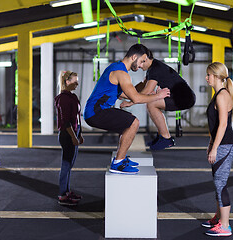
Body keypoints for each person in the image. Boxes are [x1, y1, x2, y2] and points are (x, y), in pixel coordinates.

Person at [84, 43, 170, 174]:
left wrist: (145, 85)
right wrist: (159, 96)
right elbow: (136, 98)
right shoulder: (121, 73)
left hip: (96, 111)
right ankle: (118, 163)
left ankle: (121, 158)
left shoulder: (117, 67)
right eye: (141, 62)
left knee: (126, 124)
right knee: (133, 122)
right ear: (134, 57)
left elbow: (129, 93)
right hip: (96, 112)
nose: (141, 66)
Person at [120, 50, 196, 150]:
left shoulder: (155, 69)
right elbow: (142, 85)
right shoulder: (153, 68)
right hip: (178, 96)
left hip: (185, 98)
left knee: (151, 104)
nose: (140, 67)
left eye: (140, 64)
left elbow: (146, 91)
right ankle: (161, 137)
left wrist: (130, 102)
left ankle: (166, 138)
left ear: (145, 58)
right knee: (152, 103)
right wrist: (126, 93)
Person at [202, 62, 233, 237]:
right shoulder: (218, 94)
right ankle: (218, 219)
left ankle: (225, 226)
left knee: (220, 184)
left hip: (226, 144)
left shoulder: (222, 96)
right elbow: (215, 125)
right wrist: (211, 144)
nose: (206, 77)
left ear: (216, 76)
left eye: (208, 75)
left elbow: (224, 124)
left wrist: (215, 148)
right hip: (220, 144)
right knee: (218, 182)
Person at [54, 71, 84, 206]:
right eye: (75, 81)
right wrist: (73, 136)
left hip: (74, 132)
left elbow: (77, 117)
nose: (77, 83)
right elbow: (66, 121)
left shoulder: (72, 96)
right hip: (67, 134)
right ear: (67, 82)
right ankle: (62, 194)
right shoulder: (63, 98)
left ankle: (66, 191)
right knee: (66, 165)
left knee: (69, 164)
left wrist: (80, 133)